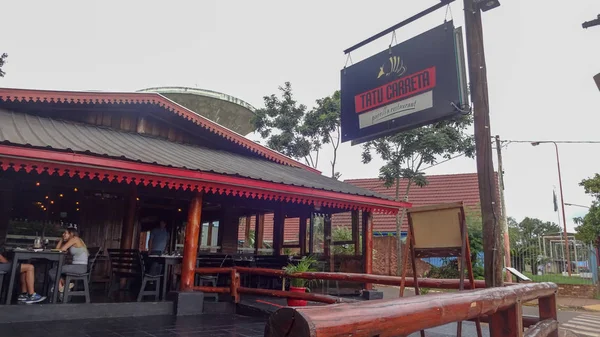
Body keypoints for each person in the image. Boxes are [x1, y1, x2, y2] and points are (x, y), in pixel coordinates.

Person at [49, 228, 89, 296]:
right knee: (56, 270)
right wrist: (62, 239)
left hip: (79, 267)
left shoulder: (75, 239)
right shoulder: (73, 240)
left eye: (65, 233)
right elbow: (57, 250)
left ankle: (62, 287)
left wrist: (62, 240)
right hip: (78, 267)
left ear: (71, 234)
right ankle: (64, 285)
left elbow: (61, 250)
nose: (63, 234)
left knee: (52, 271)